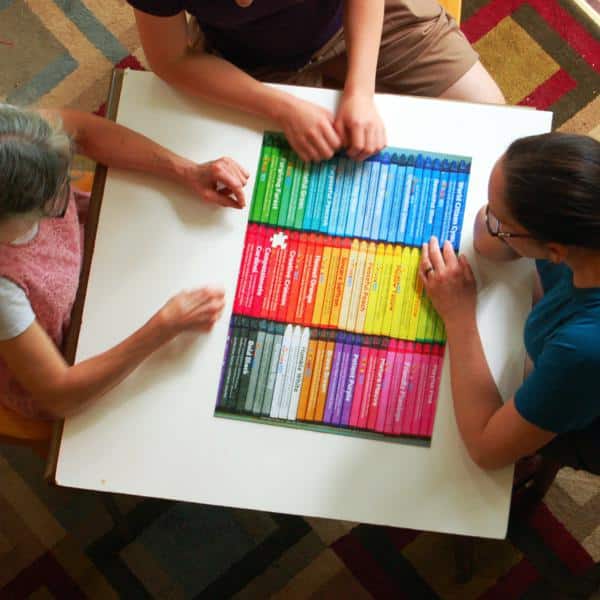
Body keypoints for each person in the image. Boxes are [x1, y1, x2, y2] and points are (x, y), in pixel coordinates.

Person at [0, 104, 249, 419]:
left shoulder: (16, 134)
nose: (64, 195)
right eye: (53, 202)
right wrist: (164, 327)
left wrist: (186, 170)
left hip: (85, 270)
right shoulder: (5, 290)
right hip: (60, 358)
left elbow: (85, 132)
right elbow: (59, 395)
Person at [419, 132, 600, 481]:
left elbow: (486, 449)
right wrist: (502, 228)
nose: (490, 220)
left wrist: (458, 315)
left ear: (555, 250)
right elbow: (487, 240)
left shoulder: (581, 349)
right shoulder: (583, 222)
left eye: (503, 223)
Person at [128, 0, 505, 163]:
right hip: (250, 57)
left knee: (492, 122)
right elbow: (171, 59)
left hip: (366, 16)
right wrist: (282, 108)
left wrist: (361, 91)